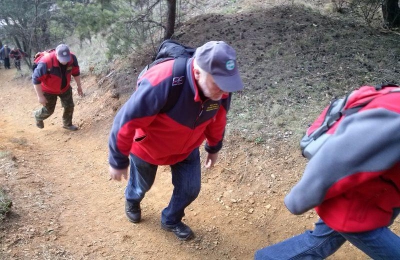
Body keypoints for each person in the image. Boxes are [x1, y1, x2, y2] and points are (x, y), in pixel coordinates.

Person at [108, 41, 243, 241]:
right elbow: (126, 120)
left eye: (228, 85)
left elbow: (218, 119)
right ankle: (132, 199)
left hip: (186, 148)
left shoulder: (221, 91)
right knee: (141, 185)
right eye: (218, 84)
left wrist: (214, 147)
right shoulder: (162, 80)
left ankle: (171, 219)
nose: (224, 92)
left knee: (190, 189)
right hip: (148, 147)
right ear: (197, 72)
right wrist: (118, 160)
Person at [254, 86, 400, 259]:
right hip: (357, 209)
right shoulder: (395, 116)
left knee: (319, 243)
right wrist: (298, 200)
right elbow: (336, 159)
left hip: (364, 200)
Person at [32, 44, 83, 131]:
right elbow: (36, 79)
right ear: (56, 55)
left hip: (65, 87)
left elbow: (76, 72)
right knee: (49, 110)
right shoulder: (46, 62)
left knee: (69, 106)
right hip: (48, 90)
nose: (64, 62)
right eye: (62, 60)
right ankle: (38, 116)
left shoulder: (72, 58)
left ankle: (67, 124)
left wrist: (79, 86)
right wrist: (40, 96)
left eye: (66, 59)